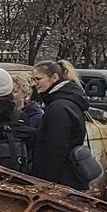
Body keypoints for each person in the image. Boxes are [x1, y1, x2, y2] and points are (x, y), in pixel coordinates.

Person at [28, 59, 89, 188]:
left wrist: (48, 184)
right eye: (33, 79)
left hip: (61, 180)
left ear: (54, 78)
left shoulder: (58, 107)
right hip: (68, 177)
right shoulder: (66, 102)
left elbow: (56, 148)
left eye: (38, 79)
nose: (34, 84)